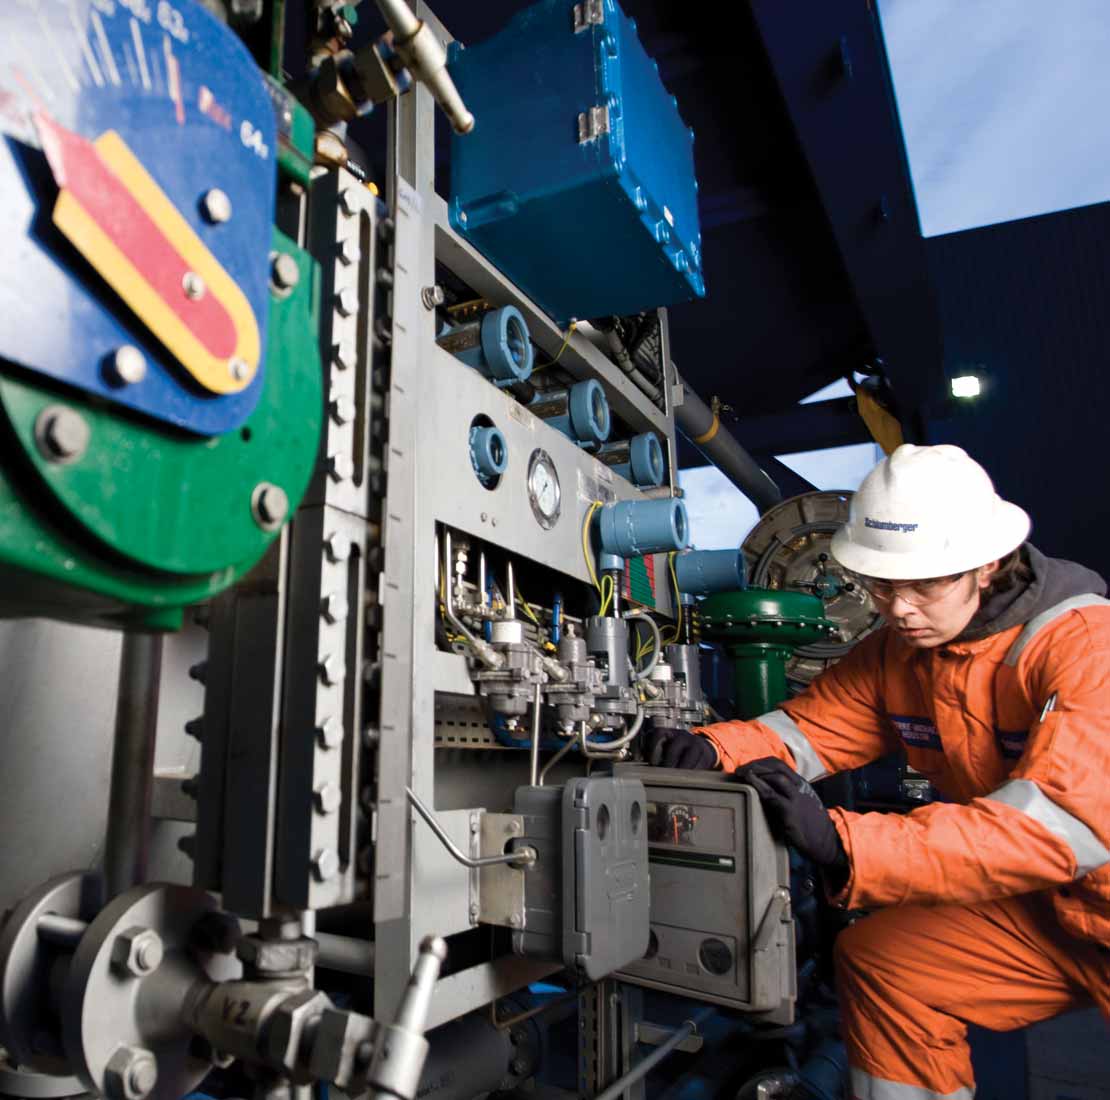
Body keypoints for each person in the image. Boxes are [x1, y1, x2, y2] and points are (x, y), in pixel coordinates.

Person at [645, 444, 1110, 1100]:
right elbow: (806, 732)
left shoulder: (1084, 646)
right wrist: (712, 748)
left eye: (926, 584)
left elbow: (1064, 827)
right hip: (1052, 915)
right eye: (885, 585)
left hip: (1087, 888)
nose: (901, 608)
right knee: (885, 965)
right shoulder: (900, 653)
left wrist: (845, 843)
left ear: (988, 565)